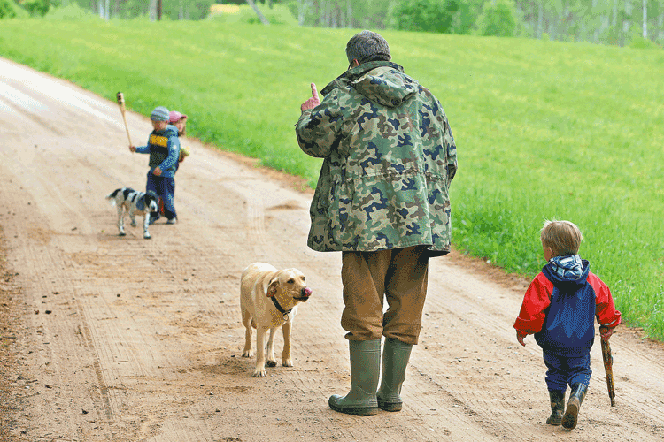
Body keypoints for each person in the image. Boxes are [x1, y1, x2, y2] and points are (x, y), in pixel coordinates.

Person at [295, 30, 458, 416]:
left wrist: (309, 112)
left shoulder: (345, 96)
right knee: (407, 306)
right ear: (387, 57)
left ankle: (363, 396)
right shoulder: (426, 98)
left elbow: (313, 141)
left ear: (354, 62)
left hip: (363, 223)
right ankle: (390, 394)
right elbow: (449, 159)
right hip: (419, 224)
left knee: (363, 304)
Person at [513, 220, 621, 430]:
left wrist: (523, 328)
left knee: (555, 372)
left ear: (550, 251)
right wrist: (608, 323)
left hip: (551, 341)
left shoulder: (544, 280)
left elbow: (532, 308)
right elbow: (605, 301)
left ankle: (556, 412)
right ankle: (576, 398)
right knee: (581, 371)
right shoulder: (590, 279)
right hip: (580, 342)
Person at [129, 106, 180, 224]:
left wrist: (161, 167)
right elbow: (149, 149)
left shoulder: (172, 138)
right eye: (153, 123)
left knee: (167, 196)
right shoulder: (153, 134)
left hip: (166, 174)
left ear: (166, 122)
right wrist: (136, 149)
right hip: (153, 172)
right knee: (151, 194)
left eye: (158, 123)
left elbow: (173, 157)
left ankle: (170, 215)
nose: (155, 125)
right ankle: (153, 215)